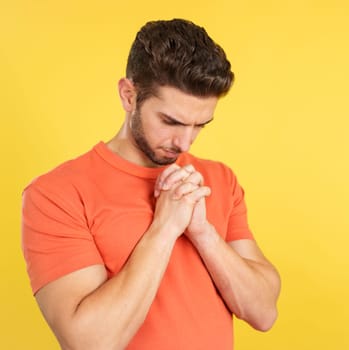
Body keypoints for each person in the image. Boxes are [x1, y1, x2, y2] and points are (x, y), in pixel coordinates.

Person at [21, 18, 280, 350]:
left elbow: (264, 312)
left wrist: (203, 233)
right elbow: (89, 343)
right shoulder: (56, 195)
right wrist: (165, 228)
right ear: (129, 95)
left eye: (200, 125)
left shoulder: (218, 179)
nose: (185, 143)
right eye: (171, 121)